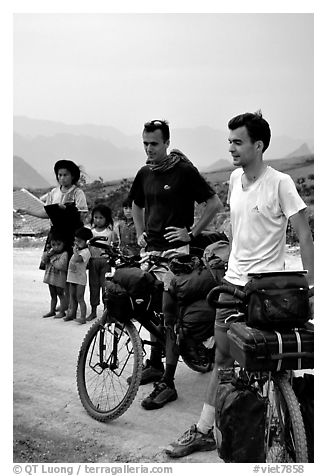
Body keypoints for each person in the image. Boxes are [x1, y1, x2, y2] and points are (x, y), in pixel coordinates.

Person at [165, 111, 314, 458]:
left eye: (237, 141)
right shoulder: (234, 179)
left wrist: (312, 288)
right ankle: (204, 429)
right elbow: (240, 231)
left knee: (278, 361)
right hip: (233, 285)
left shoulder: (280, 183)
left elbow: (305, 237)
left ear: (258, 145)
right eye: (229, 141)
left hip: (268, 291)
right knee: (223, 359)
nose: (230, 147)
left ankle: (289, 426)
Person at [129, 119, 222, 410]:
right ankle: (155, 363)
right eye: (145, 143)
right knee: (149, 306)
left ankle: (167, 382)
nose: (149, 149)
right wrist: (139, 232)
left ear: (167, 142)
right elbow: (136, 204)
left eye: (154, 144)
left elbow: (214, 203)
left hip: (177, 254)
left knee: (168, 314)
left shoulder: (183, 171)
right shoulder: (145, 172)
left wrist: (191, 233)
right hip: (152, 252)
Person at [87, 204, 118, 322]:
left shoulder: (110, 233)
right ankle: (93, 311)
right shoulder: (91, 232)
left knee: (106, 287)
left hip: (106, 261)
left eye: (101, 217)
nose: (98, 220)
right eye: (96, 217)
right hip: (93, 261)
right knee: (93, 286)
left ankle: (107, 312)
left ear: (107, 219)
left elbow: (114, 246)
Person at [64, 226, 93, 324]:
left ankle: (83, 317)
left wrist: (75, 252)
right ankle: (72, 313)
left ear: (87, 242)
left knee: (79, 297)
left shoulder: (85, 252)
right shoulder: (78, 250)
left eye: (79, 241)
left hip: (80, 278)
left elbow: (77, 259)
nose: (76, 243)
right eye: (75, 241)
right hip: (72, 277)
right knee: (72, 296)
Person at [41, 230, 69, 319]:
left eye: (58, 244)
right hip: (51, 278)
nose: (56, 247)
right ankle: (52, 311)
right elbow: (44, 261)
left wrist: (52, 258)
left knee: (60, 294)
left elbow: (61, 266)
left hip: (59, 278)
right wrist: (47, 254)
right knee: (52, 294)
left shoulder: (64, 254)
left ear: (63, 244)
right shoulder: (50, 253)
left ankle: (62, 311)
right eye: (53, 245)